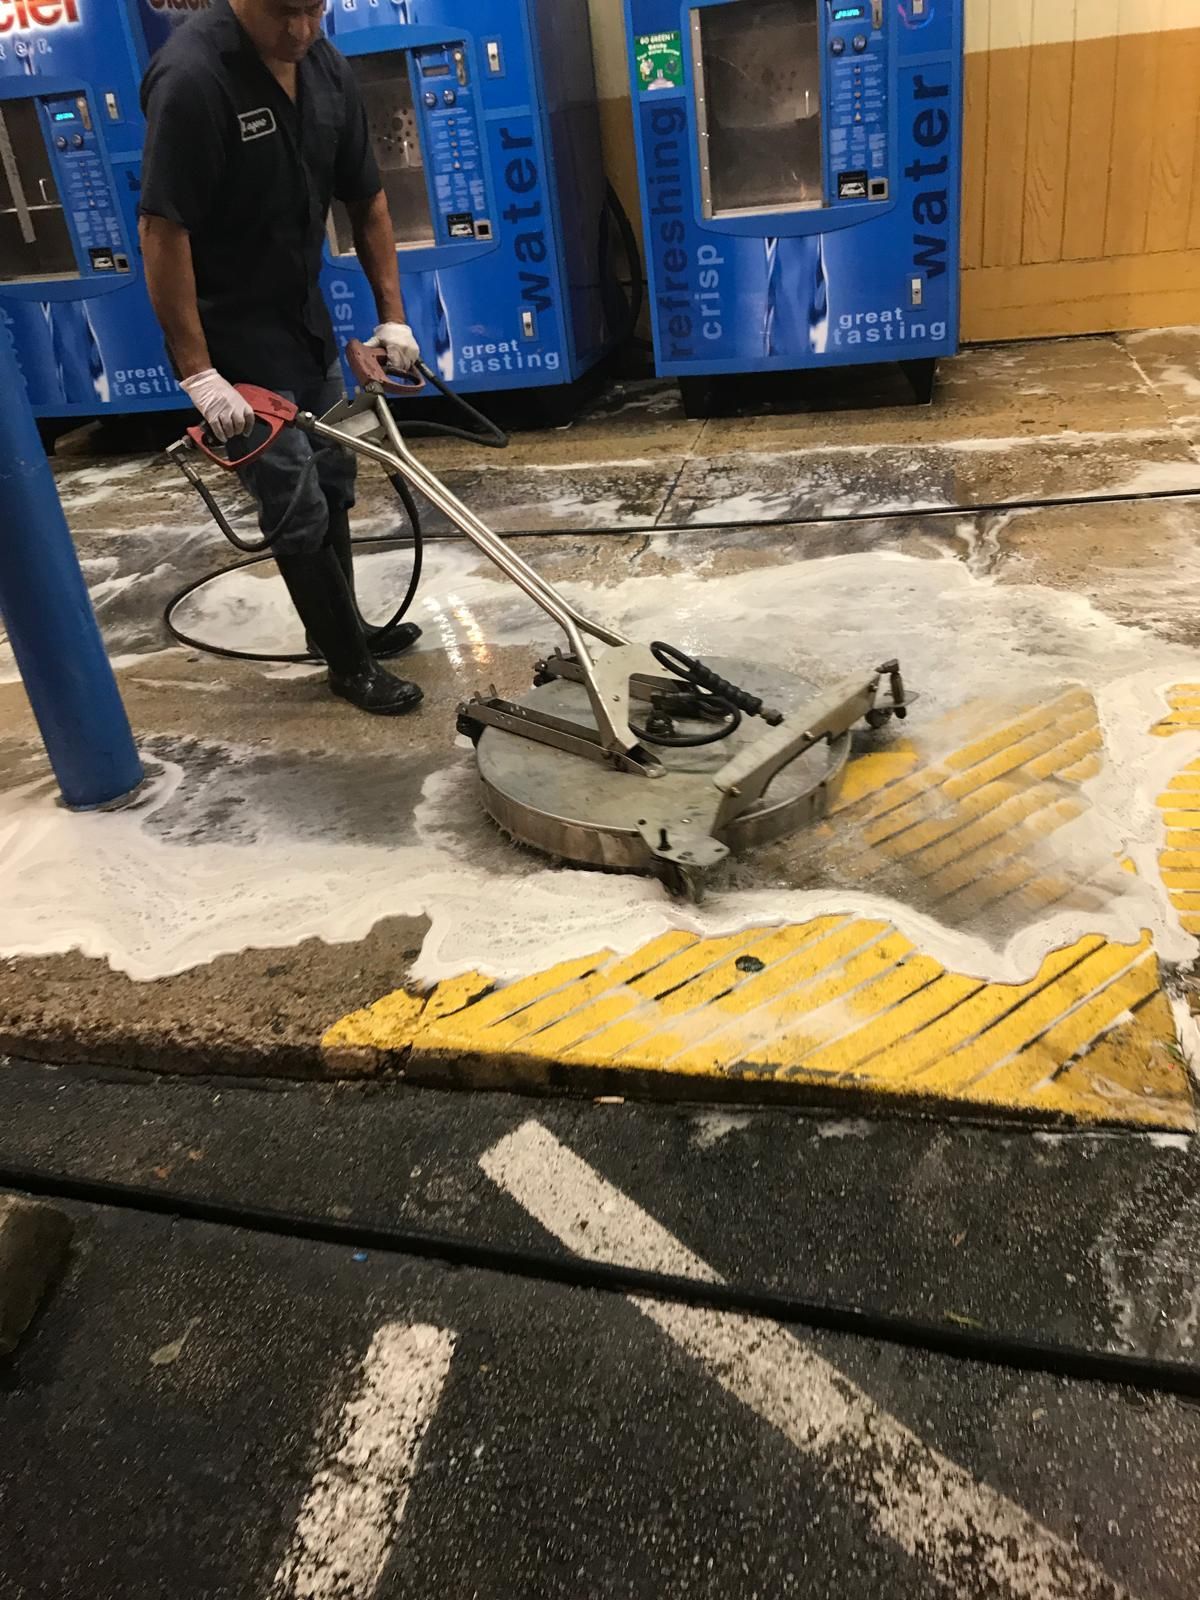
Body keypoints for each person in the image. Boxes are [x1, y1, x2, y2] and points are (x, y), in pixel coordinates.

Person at [139, 0, 423, 715]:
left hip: (302, 318)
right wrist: (199, 373)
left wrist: (393, 317)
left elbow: (369, 200)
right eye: (283, 14)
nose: (300, 31)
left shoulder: (324, 66)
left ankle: (343, 631)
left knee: (333, 472)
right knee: (292, 493)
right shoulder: (194, 79)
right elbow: (162, 231)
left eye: (314, 10)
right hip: (230, 334)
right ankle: (349, 667)